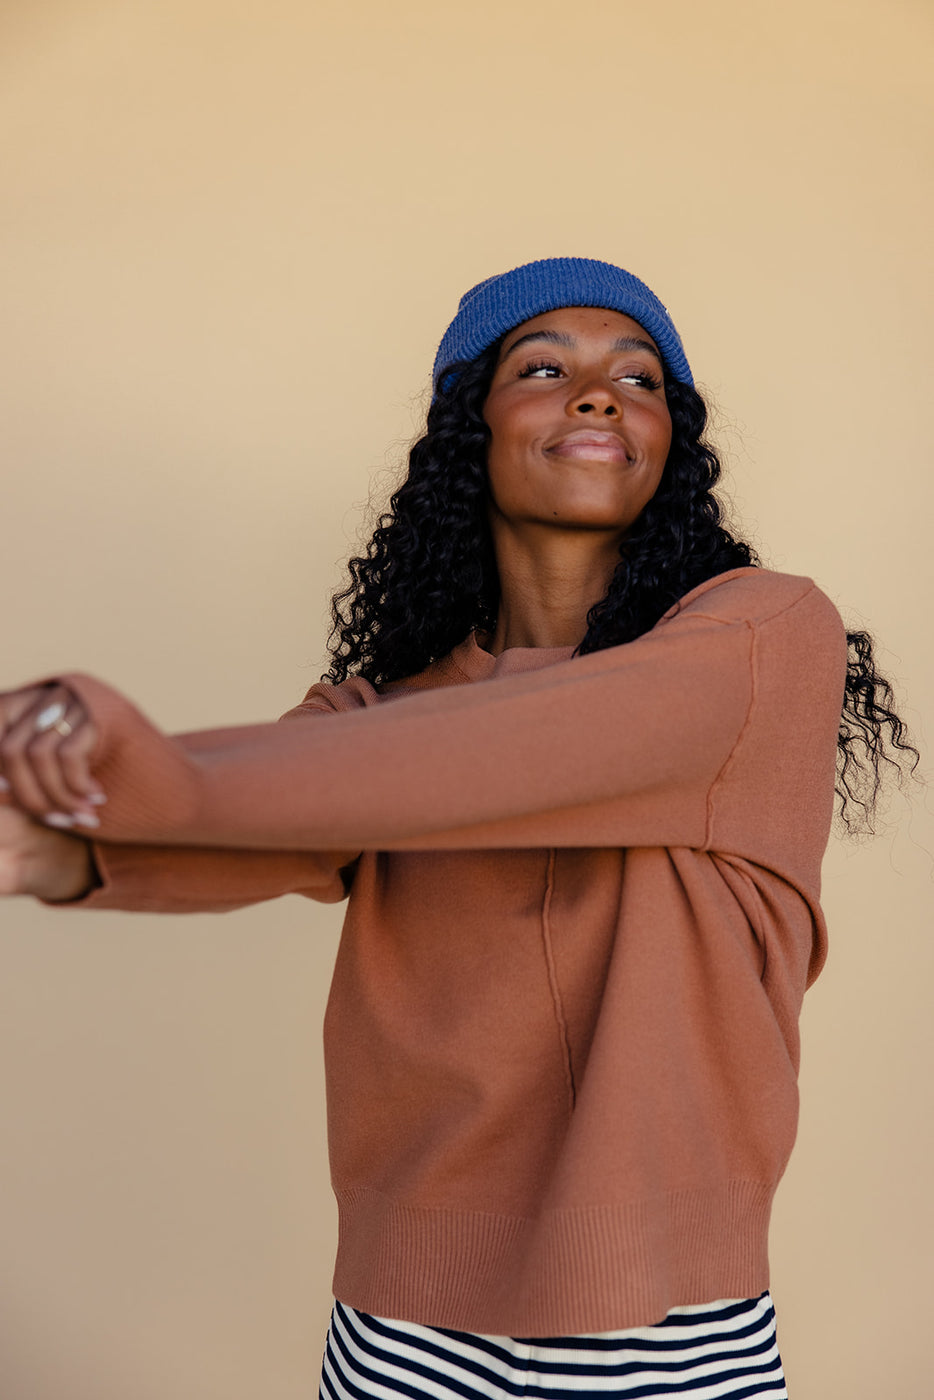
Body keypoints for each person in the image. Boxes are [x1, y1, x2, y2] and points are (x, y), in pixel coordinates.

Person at [0, 258, 917, 1399]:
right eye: (545, 367)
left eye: (639, 379)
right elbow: (268, 819)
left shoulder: (761, 638)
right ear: (465, 427)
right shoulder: (379, 724)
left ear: (670, 441)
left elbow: (504, 748)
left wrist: (125, 761)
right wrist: (63, 839)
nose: (599, 395)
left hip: (668, 1322)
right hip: (403, 1326)